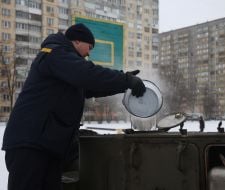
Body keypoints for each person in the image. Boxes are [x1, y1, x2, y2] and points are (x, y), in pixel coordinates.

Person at [2, 23, 146, 190]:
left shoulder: (66, 67)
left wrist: (124, 83)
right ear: (77, 41)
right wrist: (125, 79)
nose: (89, 53)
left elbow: (92, 86)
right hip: (30, 144)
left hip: (47, 146)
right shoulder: (55, 54)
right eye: (89, 46)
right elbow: (88, 74)